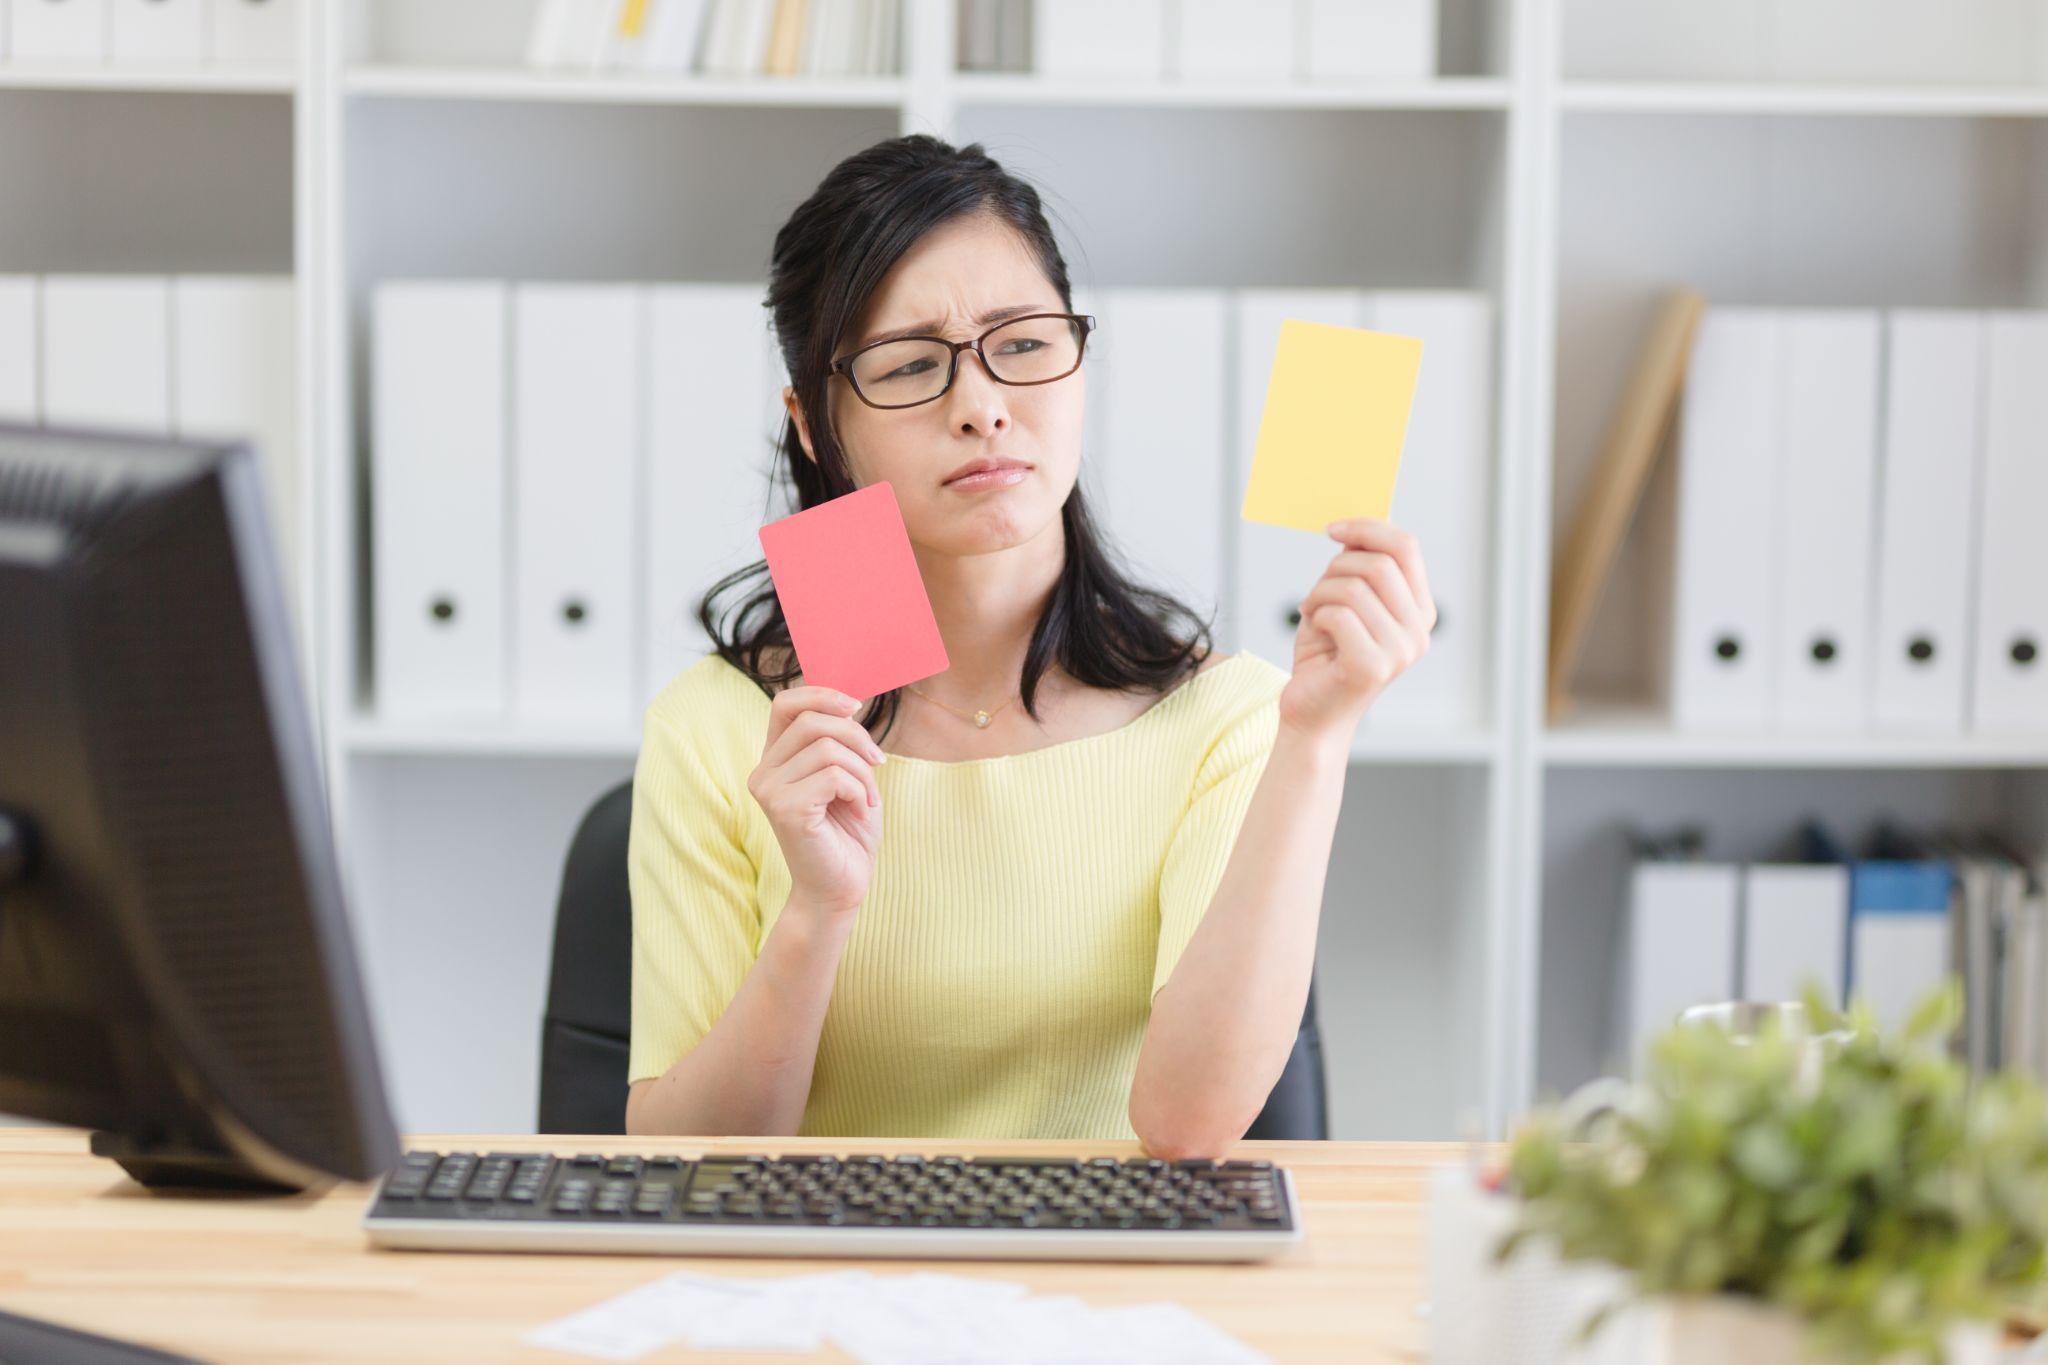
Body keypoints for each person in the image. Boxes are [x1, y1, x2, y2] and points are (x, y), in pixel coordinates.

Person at [624, 134, 1436, 1157]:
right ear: (812, 425)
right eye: (910, 367)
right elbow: (674, 1164)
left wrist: (1314, 738)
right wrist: (816, 913)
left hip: (1102, 1292)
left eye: (1022, 344)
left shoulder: (1230, 718)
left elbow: (1187, 1128)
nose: (981, 407)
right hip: (813, 1284)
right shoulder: (718, 728)